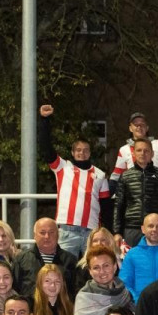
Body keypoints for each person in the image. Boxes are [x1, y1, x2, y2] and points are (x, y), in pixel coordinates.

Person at [38, 104, 113, 257]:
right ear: (72, 152)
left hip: (91, 233)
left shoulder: (100, 175)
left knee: (91, 271)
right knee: (65, 272)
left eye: (85, 150)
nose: (82, 153)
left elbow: (106, 208)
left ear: (90, 152)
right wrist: (44, 120)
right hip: (67, 230)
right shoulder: (62, 167)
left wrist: (110, 233)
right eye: (78, 150)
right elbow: (46, 148)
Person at [112, 137, 158, 249]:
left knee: (156, 261)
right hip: (131, 228)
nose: (142, 153)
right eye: (139, 150)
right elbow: (118, 205)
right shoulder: (125, 176)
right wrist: (117, 232)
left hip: (155, 228)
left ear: (152, 153)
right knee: (132, 262)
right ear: (134, 153)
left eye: (146, 150)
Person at [109, 110, 158, 181]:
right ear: (130, 128)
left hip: (157, 192)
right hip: (134, 194)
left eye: (142, 124)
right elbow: (116, 177)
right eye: (136, 125)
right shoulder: (124, 150)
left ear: (147, 128)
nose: (139, 127)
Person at [73, 245, 133, 315]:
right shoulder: (84, 297)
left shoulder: (124, 291)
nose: (102, 271)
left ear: (114, 267)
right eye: (96, 268)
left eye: (106, 266)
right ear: (90, 271)